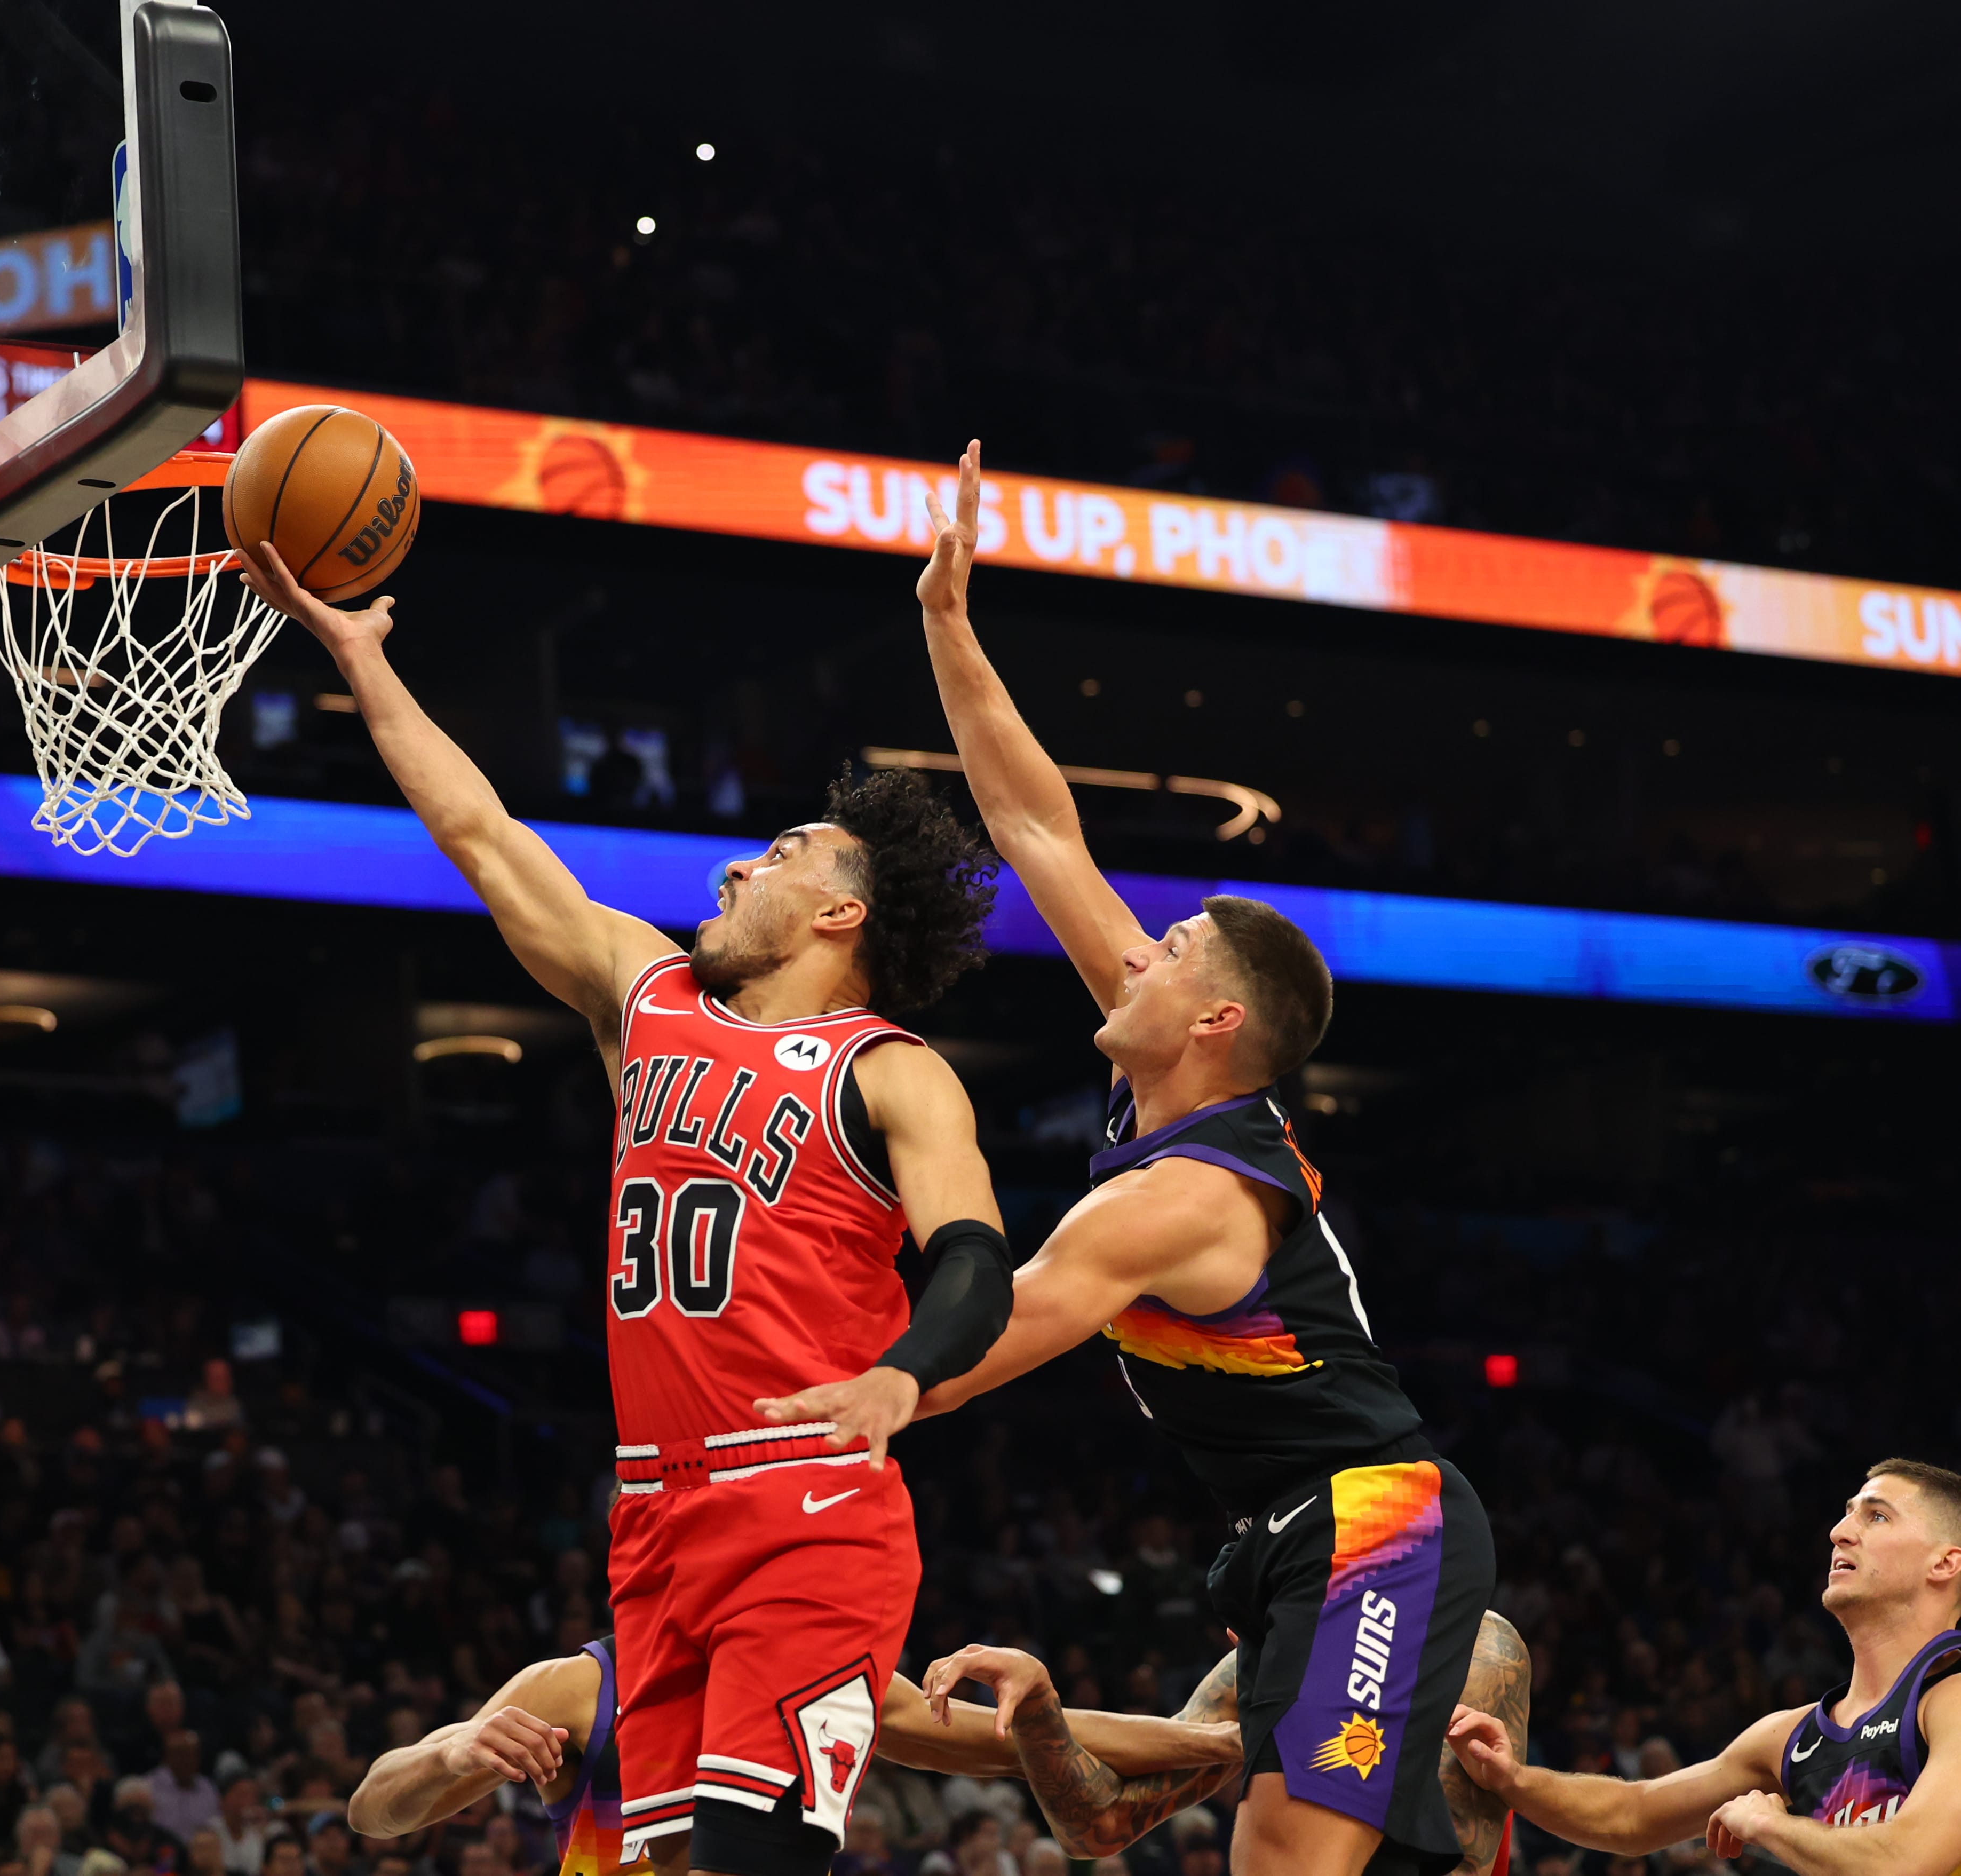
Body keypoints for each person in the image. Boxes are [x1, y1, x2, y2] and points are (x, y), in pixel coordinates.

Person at [242, 516, 1017, 1876]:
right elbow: (479, 834)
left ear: (843, 917)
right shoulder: (646, 996)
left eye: (780, 854)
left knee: (747, 1861)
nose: (737, 867)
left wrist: (901, 1378)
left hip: (809, 1507)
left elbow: (973, 1260)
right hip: (654, 1521)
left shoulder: (893, 1073)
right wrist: (365, 662)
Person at [772, 443, 1496, 1876]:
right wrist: (946, 623)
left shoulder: (1183, 1196)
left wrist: (829, 1411)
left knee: (1279, 1859)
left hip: (1374, 1519)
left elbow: (1005, 1322)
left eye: (1167, 948)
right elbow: (1036, 822)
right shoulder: (1170, 1055)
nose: (1133, 945)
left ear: (1214, 1016)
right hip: (1286, 1528)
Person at [345, 1635, 1237, 1876]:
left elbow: (1021, 1737)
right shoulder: (573, 1689)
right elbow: (373, 1812)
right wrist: (448, 1752)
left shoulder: (816, 1672)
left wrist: (1222, 1741)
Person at [1449, 1459, 1961, 1870]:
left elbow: (1909, 1860)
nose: (1839, 1531)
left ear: (1945, 1562)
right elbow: (1634, 1815)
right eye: (1848, 1513)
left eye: (1876, 1516)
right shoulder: (1790, 1737)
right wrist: (1513, 1780)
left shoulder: (1952, 1700)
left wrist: (1772, 1826)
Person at [923, 1611, 1533, 1876]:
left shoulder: (1475, 1652)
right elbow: (1100, 1823)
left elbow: (1462, 1864)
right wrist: (1037, 1704)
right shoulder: (1259, 1663)